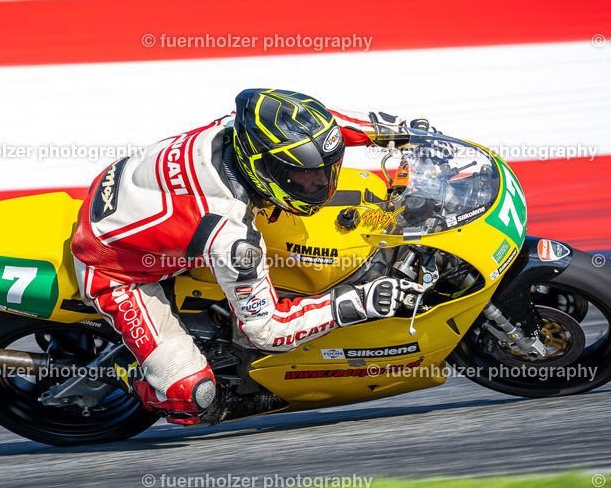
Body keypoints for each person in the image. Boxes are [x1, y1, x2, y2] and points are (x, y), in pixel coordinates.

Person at [71, 88, 425, 425]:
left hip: (128, 192)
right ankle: (130, 374)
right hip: (116, 271)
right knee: (195, 397)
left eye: (325, 168)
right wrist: (358, 303)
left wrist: (393, 132)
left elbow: (314, 126)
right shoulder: (230, 235)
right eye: (303, 175)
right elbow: (266, 330)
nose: (321, 182)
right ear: (264, 168)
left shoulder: (242, 128)